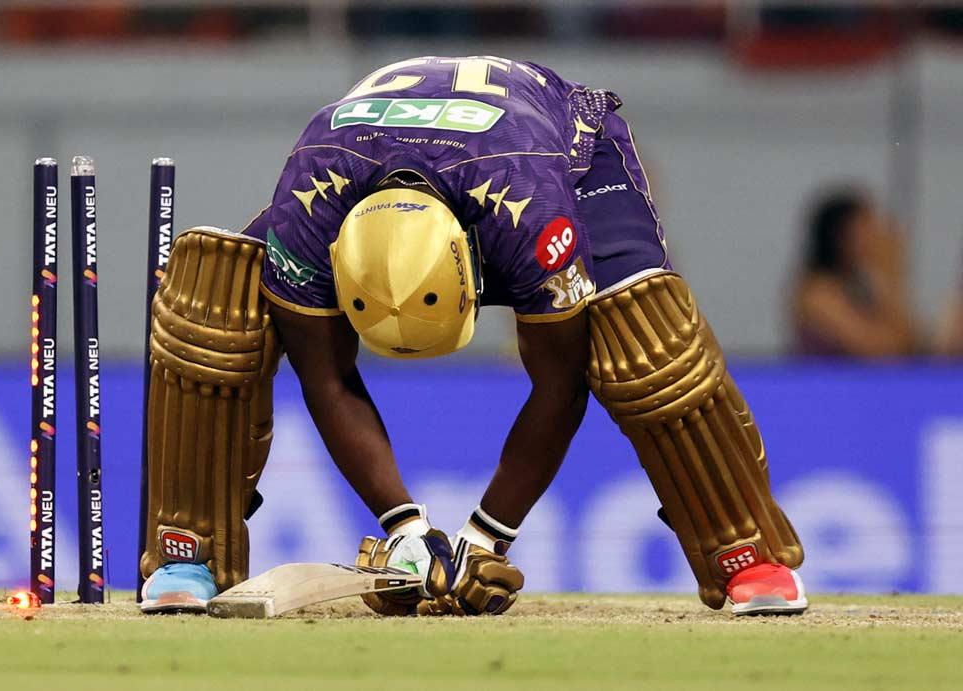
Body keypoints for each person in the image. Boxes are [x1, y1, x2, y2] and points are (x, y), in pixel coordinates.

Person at [138, 56, 806, 617]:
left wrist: (485, 538)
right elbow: (327, 378)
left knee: (643, 337)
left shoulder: (530, 214)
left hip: (563, 155)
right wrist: (407, 531)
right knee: (214, 305)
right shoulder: (312, 208)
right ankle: (186, 552)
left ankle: (747, 557)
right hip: (369, 159)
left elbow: (560, 383)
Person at [792, 189, 918, 357]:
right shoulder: (817, 292)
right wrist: (891, 277)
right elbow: (883, 351)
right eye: (866, 226)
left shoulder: (861, 287)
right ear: (839, 236)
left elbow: (911, 343)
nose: (878, 235)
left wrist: (891, 280)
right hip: (829, 375)